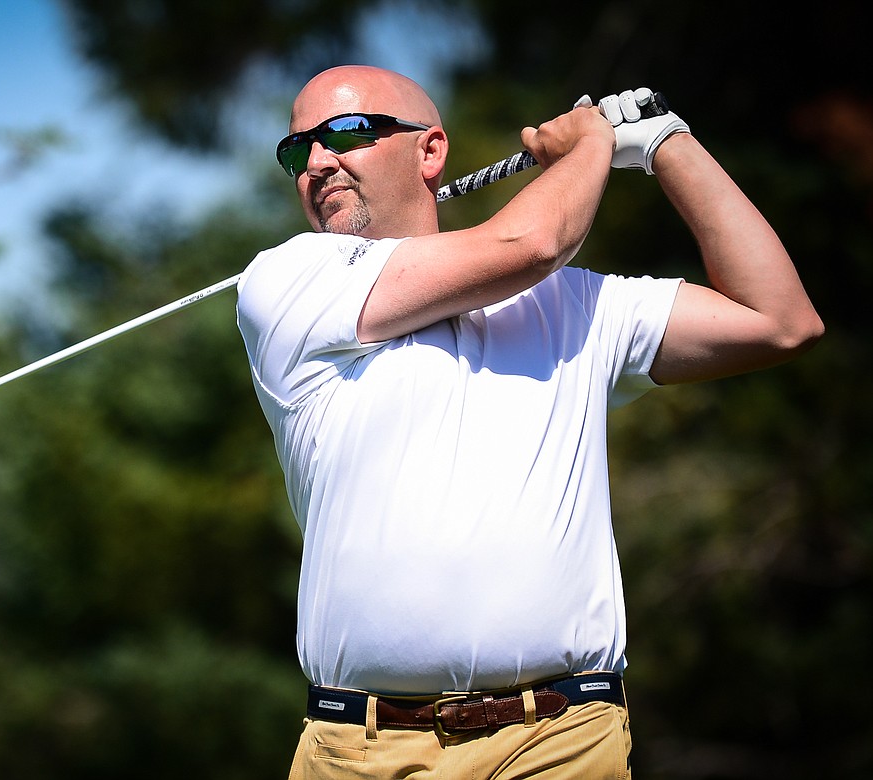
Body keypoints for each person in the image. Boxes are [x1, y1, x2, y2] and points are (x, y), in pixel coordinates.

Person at [235, 65, 823, 779]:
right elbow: (531, 245)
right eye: (298, 149)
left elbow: (779, 320)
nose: (318, 162)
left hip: (558, 743)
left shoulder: (577, 307)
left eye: (347, 134)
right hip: (357, 750)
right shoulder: (288, 281)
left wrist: (668, 142)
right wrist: (592, 146)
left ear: (430, 152)